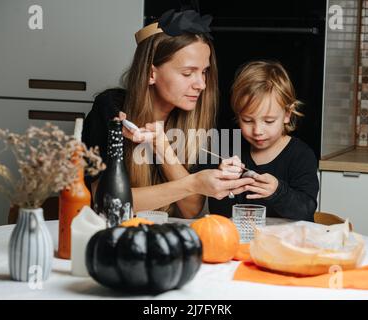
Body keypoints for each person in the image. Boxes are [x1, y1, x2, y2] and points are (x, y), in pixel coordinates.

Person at [82, 9, 254, 218]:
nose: (201, 84)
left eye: (204, 72)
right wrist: (193, 183)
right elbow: (105, 200)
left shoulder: (194, 120)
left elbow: (190, 210)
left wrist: (162, 147)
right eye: (188, 73)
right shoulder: (112, 109)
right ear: (151, 73)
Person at [209, 61, 319, 221]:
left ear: (287, 114)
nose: (258, 131)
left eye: (268, 121)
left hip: (287, 242)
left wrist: (278, 191)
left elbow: (306, 210)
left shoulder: (301, 155)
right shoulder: (227, 150)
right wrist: (224, 182)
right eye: (247, 120)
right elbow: (219, 215)